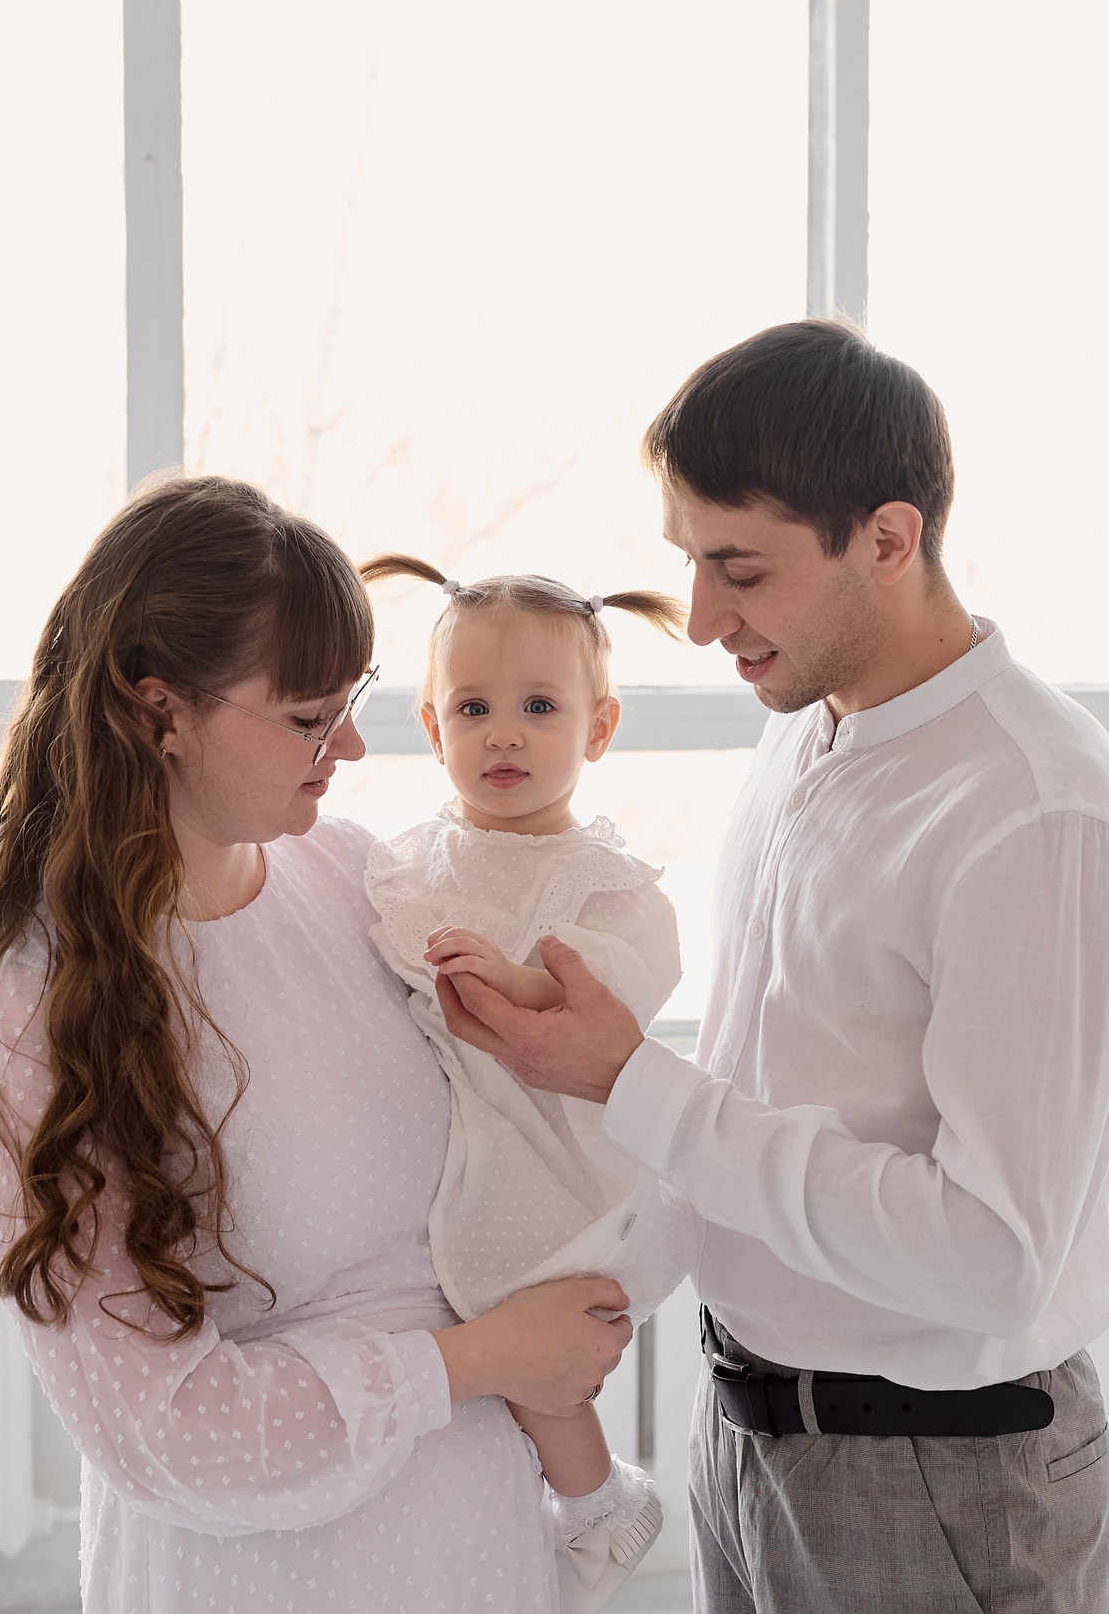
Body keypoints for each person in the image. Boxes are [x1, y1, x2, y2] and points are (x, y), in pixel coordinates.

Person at [436, 320, 1109, 1613]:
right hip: (757, 1427)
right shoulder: (812, 725)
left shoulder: (1035, 815)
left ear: (888, 540)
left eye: (742, 570)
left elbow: (992, 1253)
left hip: (938, 1474)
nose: (704, 616)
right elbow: (782, 1069)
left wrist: (631, 1081)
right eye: (691, 562)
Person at [0, 474, 631, 1614]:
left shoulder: (352, 877)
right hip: (261, 1578)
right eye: (305, 716)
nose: (355, 747)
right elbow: (161, 1430)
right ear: (158, 712)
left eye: (350, 701)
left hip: (479, 1551)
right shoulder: (33, 1002)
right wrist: (483, 1359)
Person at [356, 554, 702, 1607]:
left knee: (509, 1292)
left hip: (551, 1144)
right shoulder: (410, 858)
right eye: (474, 706)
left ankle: (598, 1499)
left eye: (539, 706)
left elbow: (617, 991)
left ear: (597, 728)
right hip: (461, 1130)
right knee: (463, 1300)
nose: (503, 731)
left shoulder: (603, 881)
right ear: (431, 726)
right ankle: (529, 1502)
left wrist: (512, 973)